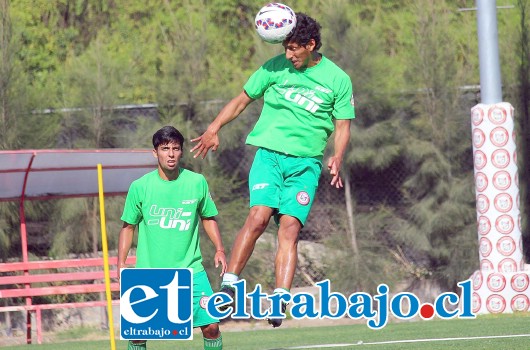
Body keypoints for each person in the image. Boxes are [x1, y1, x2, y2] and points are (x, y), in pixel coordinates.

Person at [191, 12, 355, 328]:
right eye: (286, 48)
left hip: (305, 164)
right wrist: (214, 127)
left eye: (294, 49)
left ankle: (280, 300)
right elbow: (241, 100)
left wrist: (338, 154)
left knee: (290, 227)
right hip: (269, 158)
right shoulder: (273, 69)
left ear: (311, 45)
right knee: (258, 217)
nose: (289, 55)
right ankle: (229, 288)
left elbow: (343, 125)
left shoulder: (337, 79)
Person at [118, 126, 227, 350]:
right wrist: (120, 264)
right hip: (150, 273)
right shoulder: (140, 187)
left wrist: (219, 248)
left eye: (175, 148)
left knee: (212, 326)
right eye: (165, 148)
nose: (170, 154)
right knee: (138, 335)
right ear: (155, 152)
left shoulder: (196, 182)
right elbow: (128, 227)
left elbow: (208, 217)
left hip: (191, 271)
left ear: (181, 151)